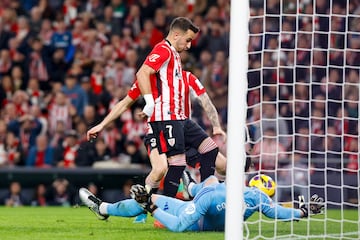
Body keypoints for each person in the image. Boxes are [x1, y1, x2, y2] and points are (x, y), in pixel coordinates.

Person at [79, 173, 324, 232]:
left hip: (195, 216)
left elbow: (180, 227)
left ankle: (103, 209)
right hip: (201, 207)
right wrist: (302, 211)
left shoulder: (215, 194)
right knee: (210, 180)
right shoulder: (257, 201)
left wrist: (151, 208)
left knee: (149, 199)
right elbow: (277, 212)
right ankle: (191, 185)